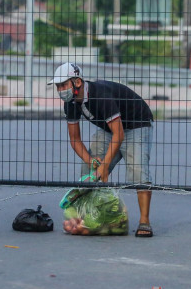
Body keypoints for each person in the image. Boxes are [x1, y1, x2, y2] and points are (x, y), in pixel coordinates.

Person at [49, 62, 155, 237]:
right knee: (89, 169)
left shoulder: (100, 96)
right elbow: (75, 140)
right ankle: (88, 215)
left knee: (138, 172)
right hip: (110, 130)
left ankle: (145, 221)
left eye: (63, 85)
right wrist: (92, 162)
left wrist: (104, 166)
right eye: (58, 86)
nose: (60, 90)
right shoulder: (70, 103)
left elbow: (119, 135)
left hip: (137, 124)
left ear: (77, 82)